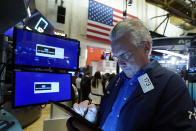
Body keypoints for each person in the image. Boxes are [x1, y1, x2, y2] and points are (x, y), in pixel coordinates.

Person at [67, 18, 196, 131]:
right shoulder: (116, 81)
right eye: (117, 57)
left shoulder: (170, 84)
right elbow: (110, 117)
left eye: (125, 54)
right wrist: (93, 118)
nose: (121, 62)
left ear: (146, 47)